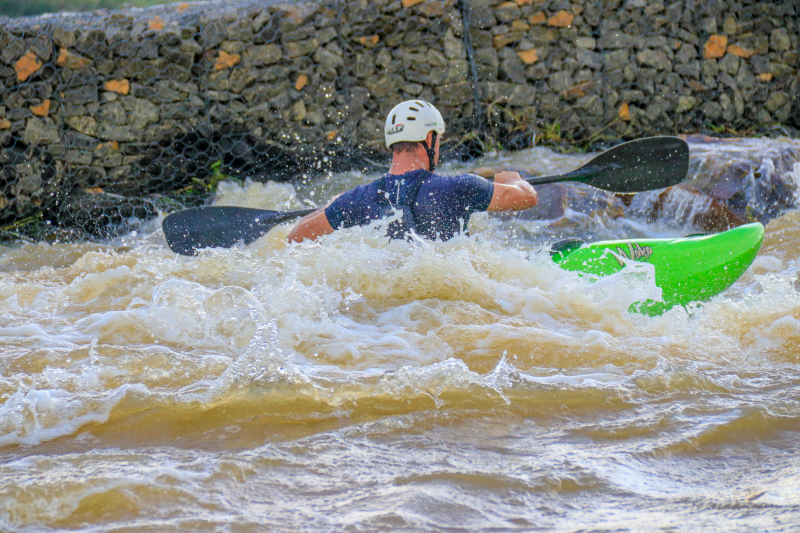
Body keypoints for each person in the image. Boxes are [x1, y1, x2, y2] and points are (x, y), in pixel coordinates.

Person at [287, 100, 538, 243]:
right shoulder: (461, 187)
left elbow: (297, 236)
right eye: (438, 139)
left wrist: (332, 205)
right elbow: (527, 198)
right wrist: (513, 179)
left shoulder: (356, 199)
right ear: (429, 138)